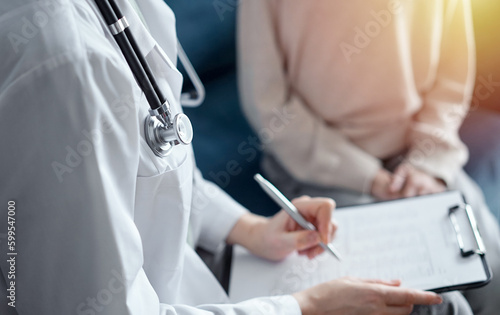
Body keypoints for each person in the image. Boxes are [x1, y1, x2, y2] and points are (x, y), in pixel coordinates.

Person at [0, 0, 444, 314]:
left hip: (190, 276)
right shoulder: (63, 66)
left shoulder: (120, 12)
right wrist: (303, 309)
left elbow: (157, 162)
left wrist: (249, 228)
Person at [237, 0, 500, 314]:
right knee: (434, 306)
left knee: (493, 277)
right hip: (320, 166)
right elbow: (269, 104)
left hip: (418, 155)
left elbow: (452, 77)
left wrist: (427, 162)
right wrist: (369, 178)